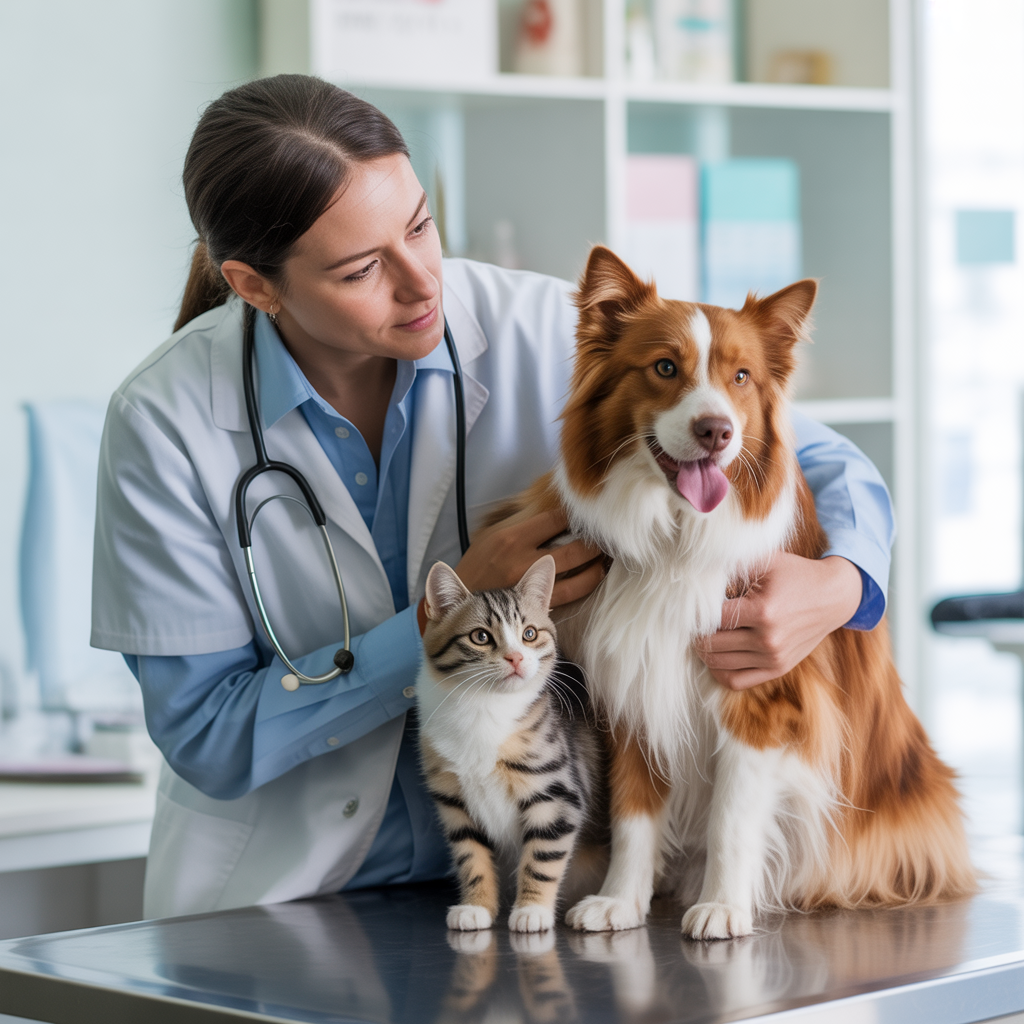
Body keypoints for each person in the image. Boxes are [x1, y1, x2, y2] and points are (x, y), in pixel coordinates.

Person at [91, 75, 894, 919]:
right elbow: (207, 736)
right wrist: (434, 636)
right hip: (285, 900)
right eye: (365, 268)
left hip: (534, 882)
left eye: (420, 225)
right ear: (255, 284)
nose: (421, 283)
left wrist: (841, 587)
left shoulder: (533, 322)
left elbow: (824, 460)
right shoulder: (164, 421)